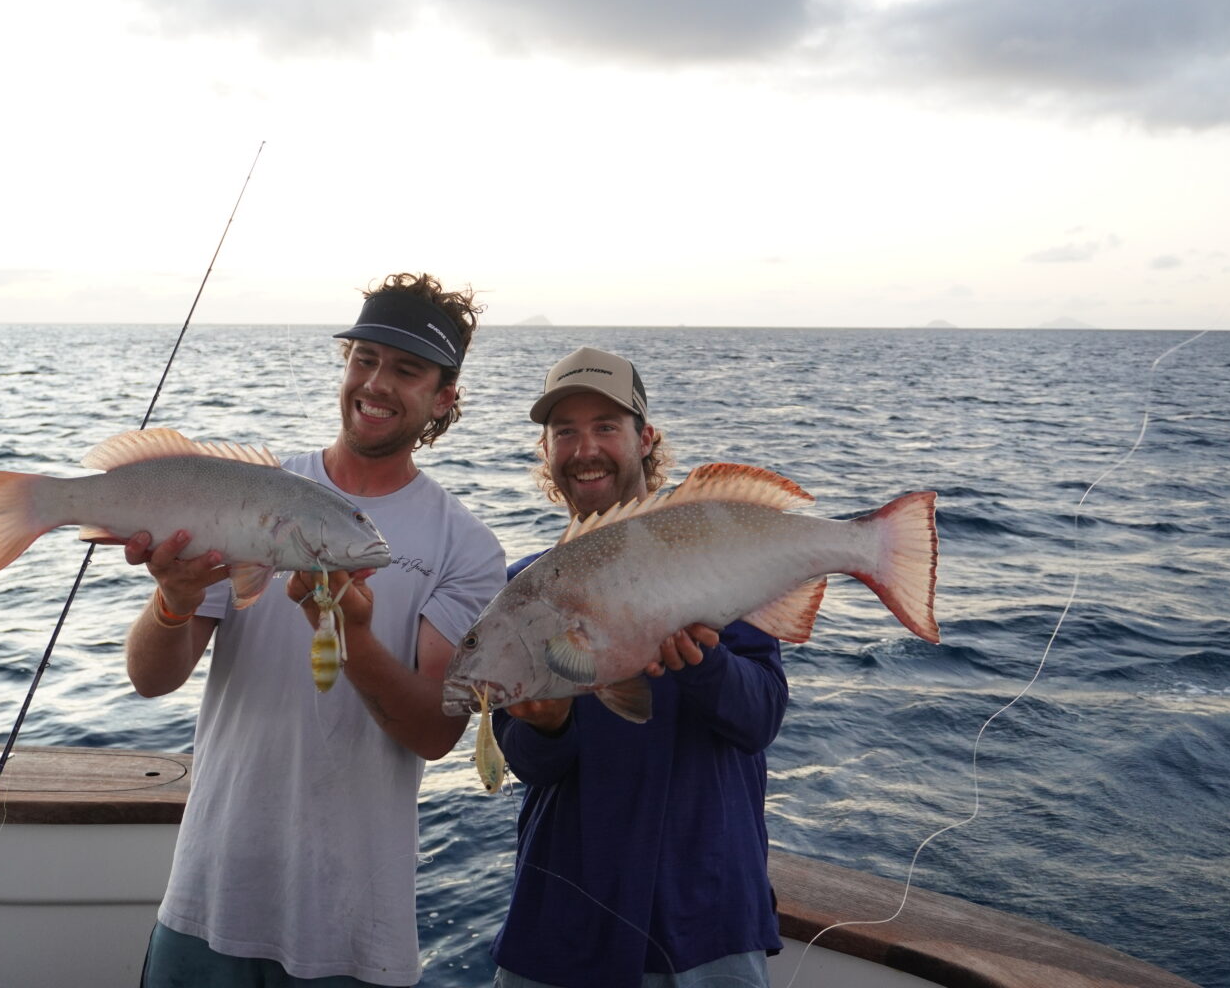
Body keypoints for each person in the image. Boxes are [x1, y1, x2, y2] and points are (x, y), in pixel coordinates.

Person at [122, 273, 506, 987]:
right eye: (364, 358)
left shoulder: (468, 547)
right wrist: (173, 600)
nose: (377, 383)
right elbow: (151, 678)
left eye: (407, 370)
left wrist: (354, 639)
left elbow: (435, 732)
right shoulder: (248, 495)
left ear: (444, 397)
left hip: (354, 930)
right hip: (209, 895)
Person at [490, 347, 789, 988]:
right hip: (565, 923)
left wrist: (705, 663)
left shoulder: (720, 560)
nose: (584, 447)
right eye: (563, 431)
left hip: (708, 920)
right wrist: (543, 726)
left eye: (605, 426)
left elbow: (761, 715)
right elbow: (529, 767)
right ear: (546, 452)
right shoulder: (521, 591)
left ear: (644, 438)